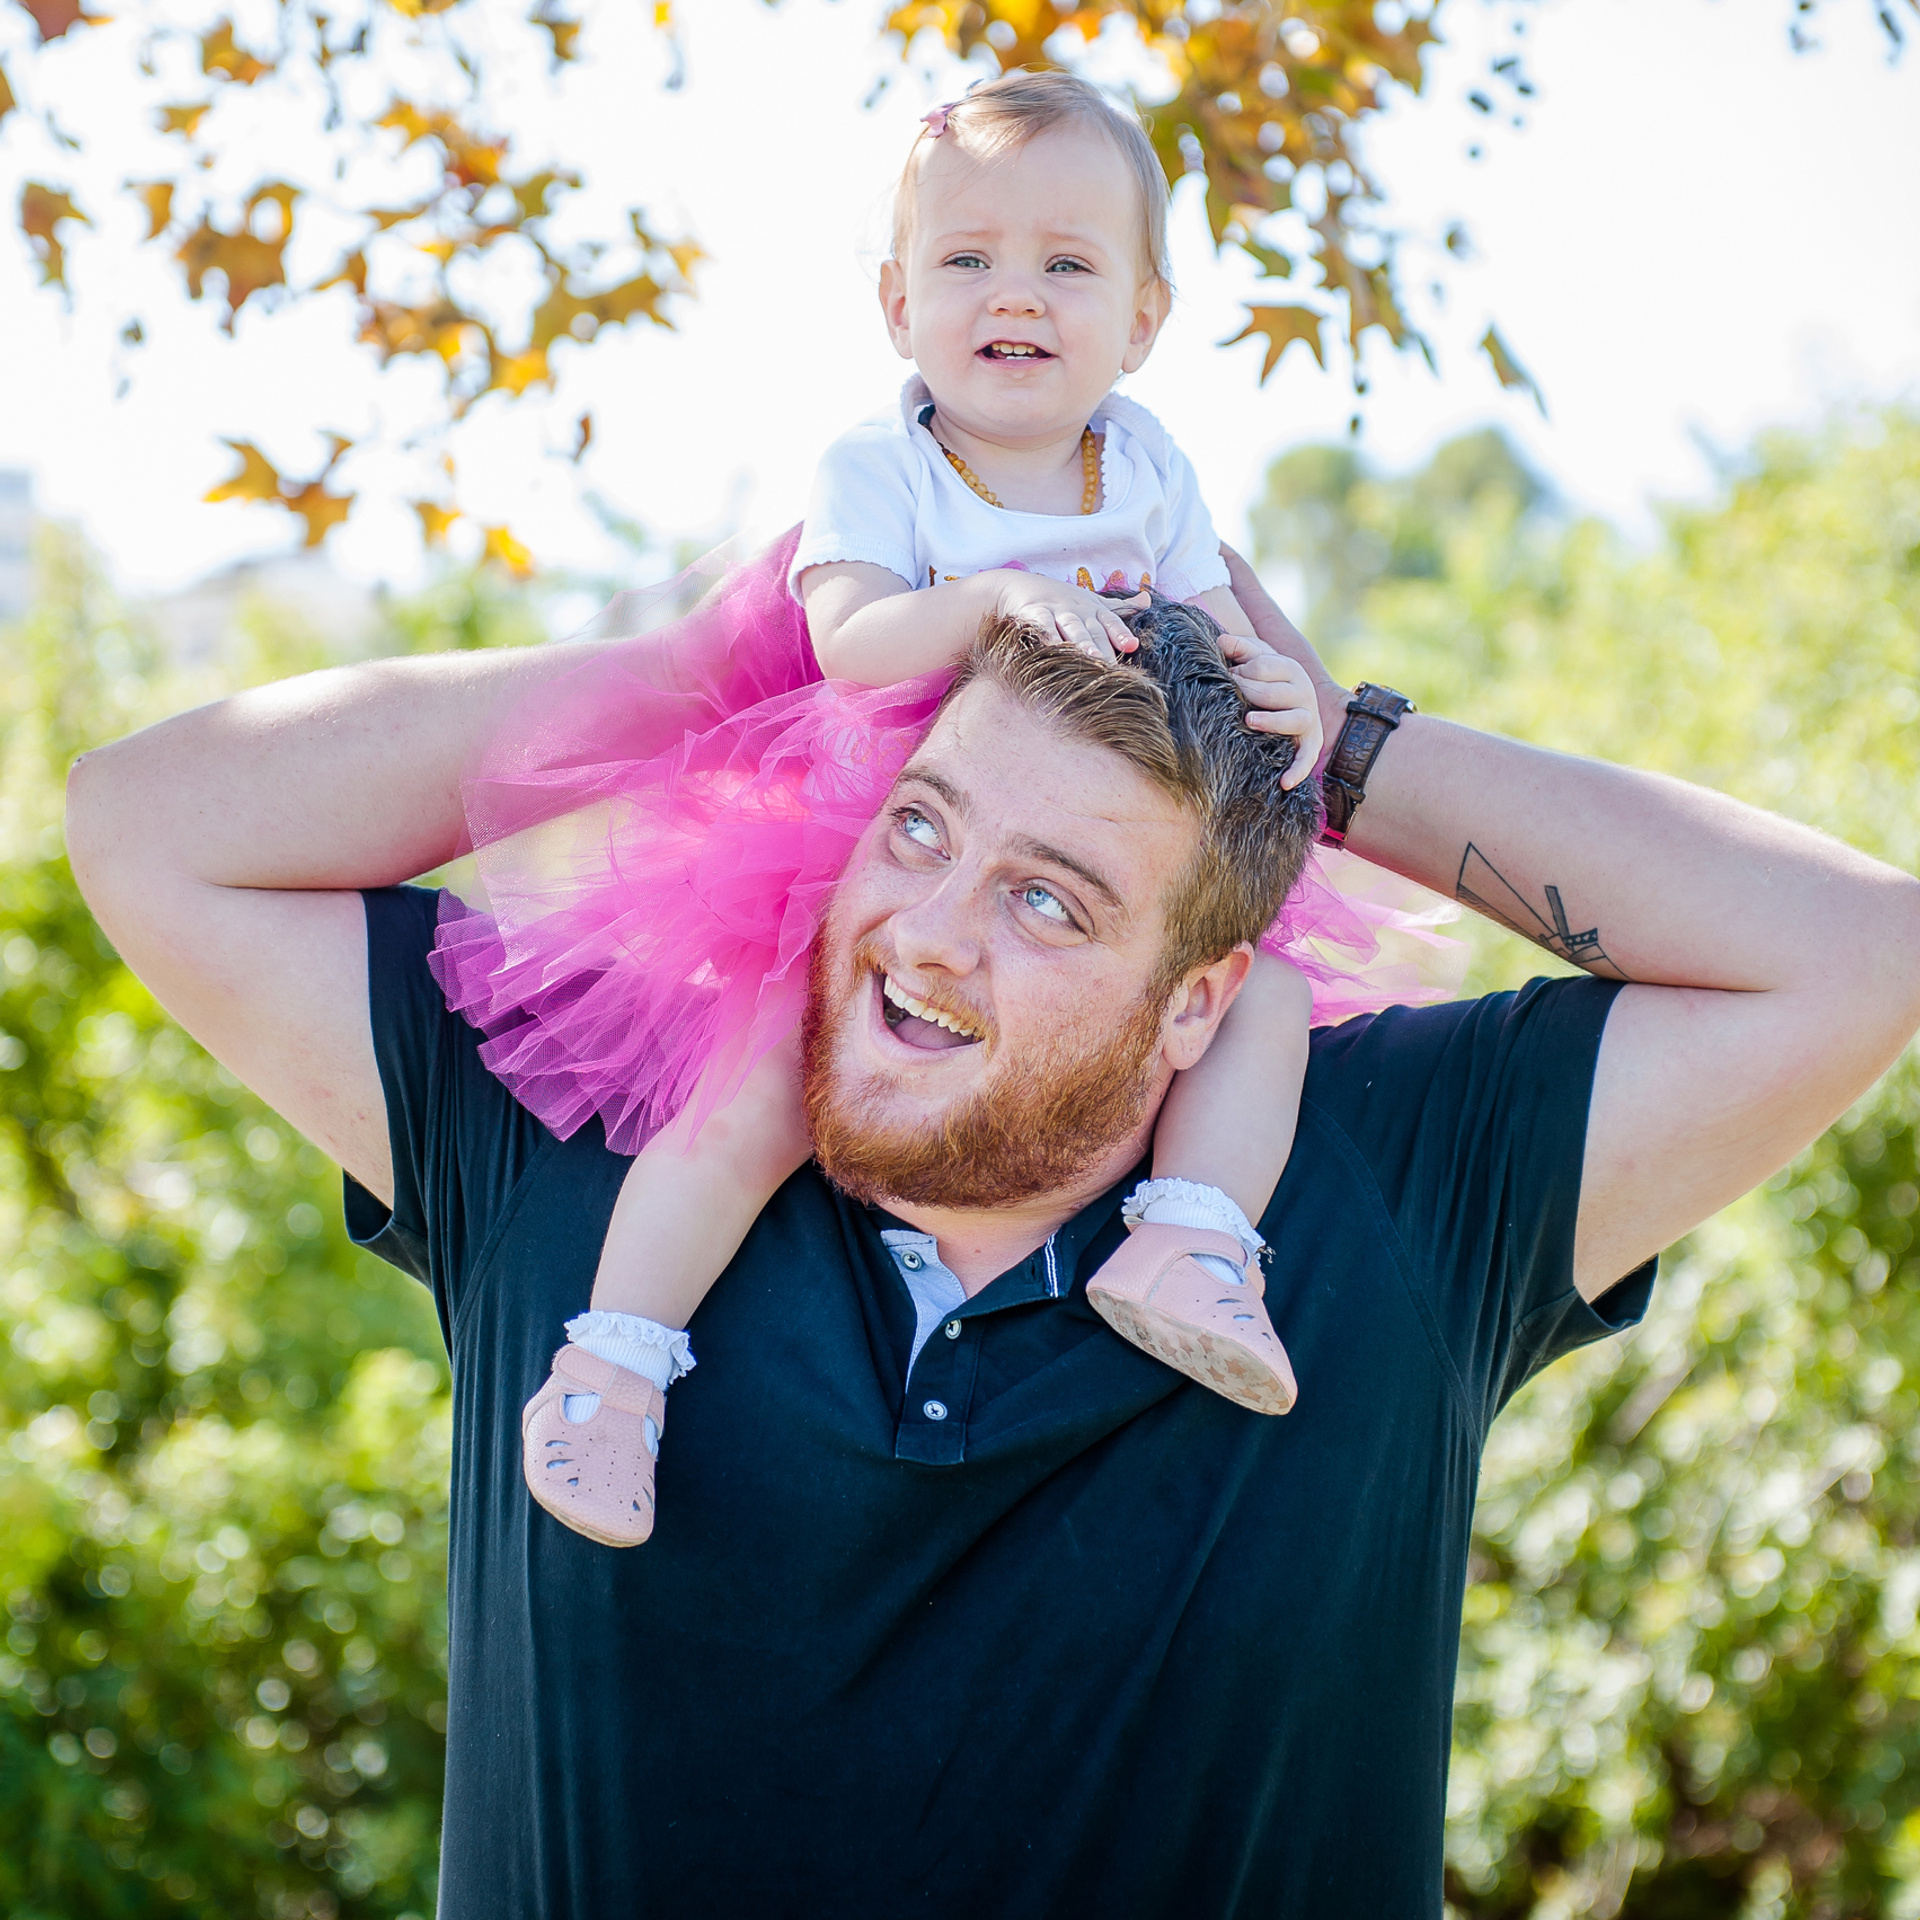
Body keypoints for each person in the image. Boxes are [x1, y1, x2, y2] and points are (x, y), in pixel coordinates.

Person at [65, 551, 1920, 1914]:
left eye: (1048, 899)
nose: (932, 932)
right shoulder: (597, 1124)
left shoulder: (1383, 1180)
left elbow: (1857, 955)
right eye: (923, 827)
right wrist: (732, 660)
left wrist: (1337, 753)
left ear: (1201, 1004)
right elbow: (151, 823)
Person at [429, 69, 1426, 1548]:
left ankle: (1193, 1241)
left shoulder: (1147, 462)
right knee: (757, 1094)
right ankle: (613, 1366)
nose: (1012, 292)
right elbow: (847, 641)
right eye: (967, 258)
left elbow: (1220, 621)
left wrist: (1300, 697)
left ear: (1144, 319)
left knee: (1260, 1001)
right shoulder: (881, 467)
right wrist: (991, 600)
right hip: (874, 835)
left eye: (1067, 263)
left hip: (1106, 843)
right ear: (899, 302)